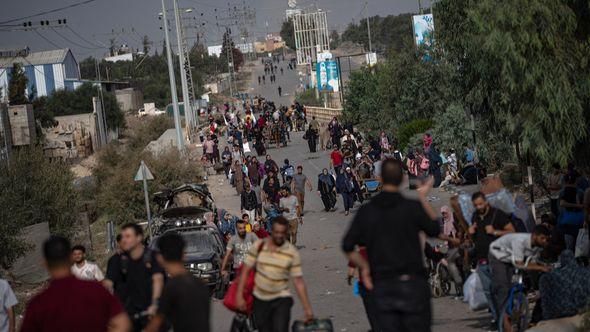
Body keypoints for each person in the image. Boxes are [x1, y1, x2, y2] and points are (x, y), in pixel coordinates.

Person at [342, 159, 446, 332]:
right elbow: (435, 229)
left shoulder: (367, 211)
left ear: (380, 179)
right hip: (413, 285)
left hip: (383, 288)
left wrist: (365, 267)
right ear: (403, 179)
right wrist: (423, 197)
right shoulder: (412, 207)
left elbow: (347, 246)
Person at [21, 236, 130, 332]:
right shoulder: (96, 290)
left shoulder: (38, 305)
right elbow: (122, 323)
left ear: (45, 264)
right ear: (70, 258)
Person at [235, 216, 314, 332]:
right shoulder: (259, 246)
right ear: (272, 231)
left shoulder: (291, 252)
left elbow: (298, 281)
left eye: (282, 232)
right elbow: (246, 271)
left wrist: (307, 308)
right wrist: (239, 296)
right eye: (276, 232)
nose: (279, 235)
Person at [104, 223, 164, 332]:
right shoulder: (116, 260)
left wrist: (155, 304)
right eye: (122, 237)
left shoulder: (152, 257)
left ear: (139, 237)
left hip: (150, 312)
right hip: (126, 315)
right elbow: (108, 283)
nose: (124, 240)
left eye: (128, 236)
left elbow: (158, 280)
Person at [145, 233, 210, 332]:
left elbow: (156, 323)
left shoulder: (172, 286)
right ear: (183, 255)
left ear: (160, 258)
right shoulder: (199, 283)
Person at [488, 226, 551, 328]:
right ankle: (503, 321)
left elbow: (531, 263)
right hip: (498, 255)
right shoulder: (520, 240)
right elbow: (520, 263)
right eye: (542, 238)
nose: (544, 241)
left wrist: (541, 267)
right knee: (503, 288)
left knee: (520, 281)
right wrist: (541, 268)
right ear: (534, 236)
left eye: (546, 239)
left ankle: (517, 303)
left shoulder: (536, 246)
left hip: (511, 257)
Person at [468, 192, 515, 326]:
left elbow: (512, 231)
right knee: (489, 292)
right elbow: (474, 239)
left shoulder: (497, 214)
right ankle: (497, 319)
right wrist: (471, 232)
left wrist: (495, 232)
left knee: (501, 291)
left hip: (498, 259)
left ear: (486, 202)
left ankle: (507, 319)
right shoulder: (475, 216)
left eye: (480, 204)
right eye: (476, 205)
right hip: (482, 260)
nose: (478, 207)